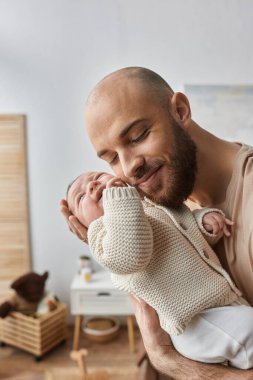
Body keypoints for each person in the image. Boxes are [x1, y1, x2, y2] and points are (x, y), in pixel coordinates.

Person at [60, 67, 253, 374]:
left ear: (180, 110)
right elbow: (139, 262)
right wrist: (105, 234)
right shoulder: (162, 194)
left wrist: (167, 359)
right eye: (110, 158)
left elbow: (185, 231)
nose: (128, 168)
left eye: (138, 136)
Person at [66, 170, 253, 369]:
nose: (92, 185)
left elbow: (184, 234)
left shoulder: (150, 204)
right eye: (81, 196)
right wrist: (118, 198)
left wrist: (203, 223)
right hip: (193, 322)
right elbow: (131, 254)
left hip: (218, 305)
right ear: (82, 223)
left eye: (97, 177)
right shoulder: (101, 235)